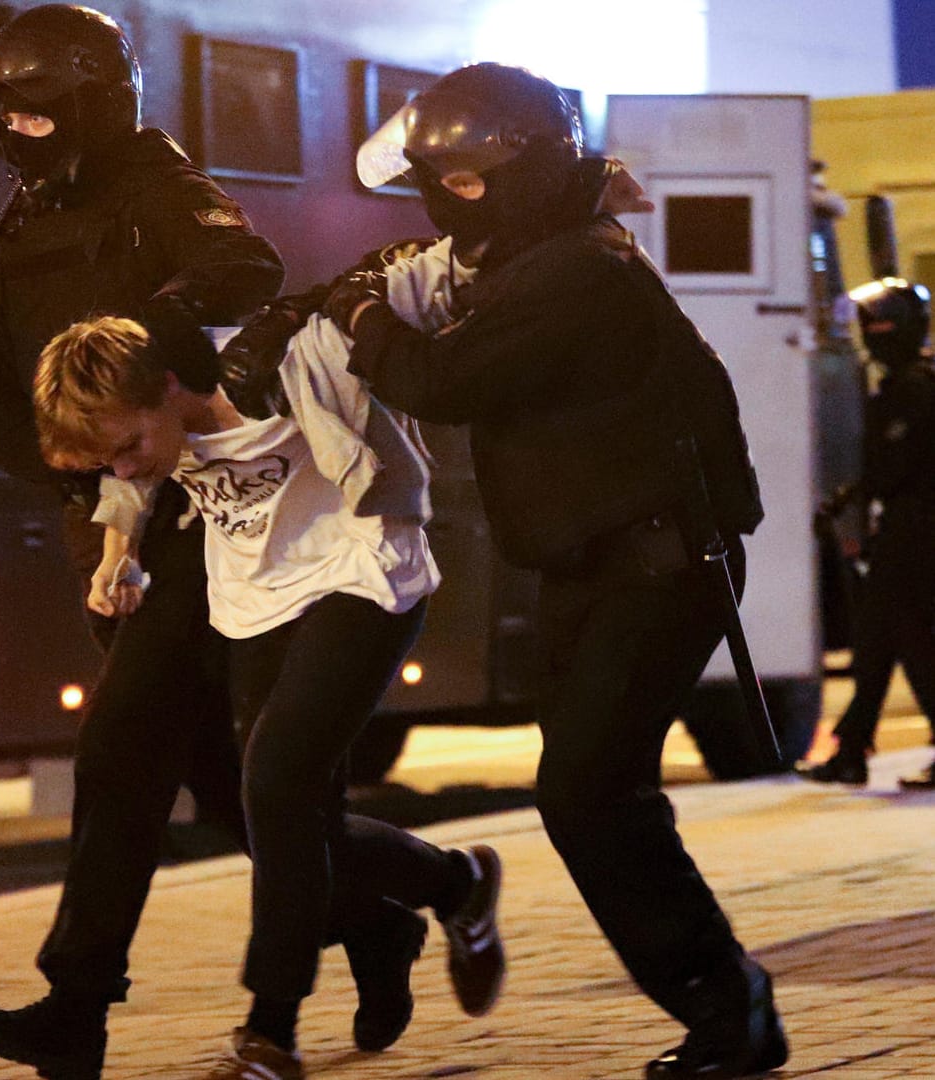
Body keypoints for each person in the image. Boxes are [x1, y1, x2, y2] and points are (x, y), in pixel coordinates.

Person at [226, 62, 787, 1079]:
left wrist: (358, 321)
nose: (449, 201)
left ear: (522, 168)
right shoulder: (529, 257)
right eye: (439, 181)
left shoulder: (578, 270)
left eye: (469, 180)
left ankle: (728, 1006)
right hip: (597, 567)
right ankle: (726, 1003)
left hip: (653, 567)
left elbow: (441, 378)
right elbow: (417, 290)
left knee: (585, 793)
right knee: (587, 796)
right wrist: (318, 305)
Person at [0, 9, 427, 1079]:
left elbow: (240, 267)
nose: (21, 130)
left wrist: (139, 365)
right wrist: (77, 473)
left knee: (129, 756)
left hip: (200, 516)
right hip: (109, 510)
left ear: (95, 104)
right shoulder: (12, 231)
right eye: (8, 114)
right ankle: (387, 917)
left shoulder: (157, 184)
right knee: (229, 794)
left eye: (40, 111)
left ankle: (78, 1010)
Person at [32, 307, 504, 1080]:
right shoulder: (152, 436)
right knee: (292, 820)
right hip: (256, 599)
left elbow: (416, 282)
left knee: (276, 778)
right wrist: (116, 553)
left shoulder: (288, 368)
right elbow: (131, 485)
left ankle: (269, 1033)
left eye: (128, 447)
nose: (124, 467)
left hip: (363, 576)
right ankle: (455, 883)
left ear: (172, 388)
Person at [801, 277, 935, 790]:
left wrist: (850, 497)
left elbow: (896, 466)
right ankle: (851, 752)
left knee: (912, 641)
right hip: (906, 529)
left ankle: (852, 751)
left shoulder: (912, 390)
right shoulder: (909, 384)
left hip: (913, 533)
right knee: (876, 642)